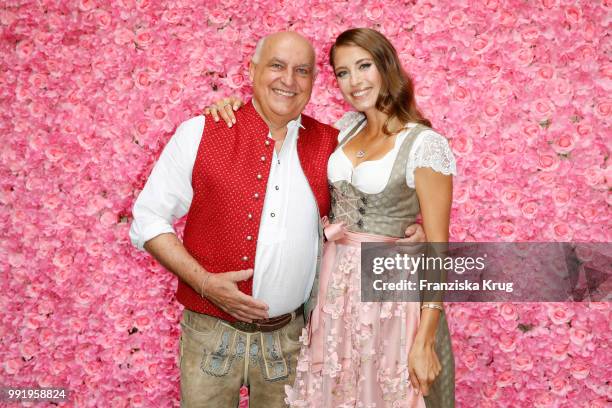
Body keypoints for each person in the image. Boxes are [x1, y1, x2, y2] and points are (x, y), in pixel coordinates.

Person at [129, 31, 424, 408]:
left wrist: (413, 229)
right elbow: (148, 219)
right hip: (209, 335)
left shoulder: (334, 146)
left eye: (302, 71)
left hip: (291, 342)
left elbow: (374, 196)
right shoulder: (202, 131)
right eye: (277, 66)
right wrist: (204, 283)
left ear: (314, 83)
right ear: (251, 71)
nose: (289, 80)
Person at [205, 28, 456, 407]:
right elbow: (277, 133)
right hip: (333, 290)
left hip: (389, 298)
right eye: (342, 73)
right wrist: (232, 111)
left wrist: (425, 338)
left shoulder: (423, 144)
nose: (354, 82)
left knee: (386, 391)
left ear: (386, 66)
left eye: (364, 66)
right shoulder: (342, 129)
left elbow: (438, 248)